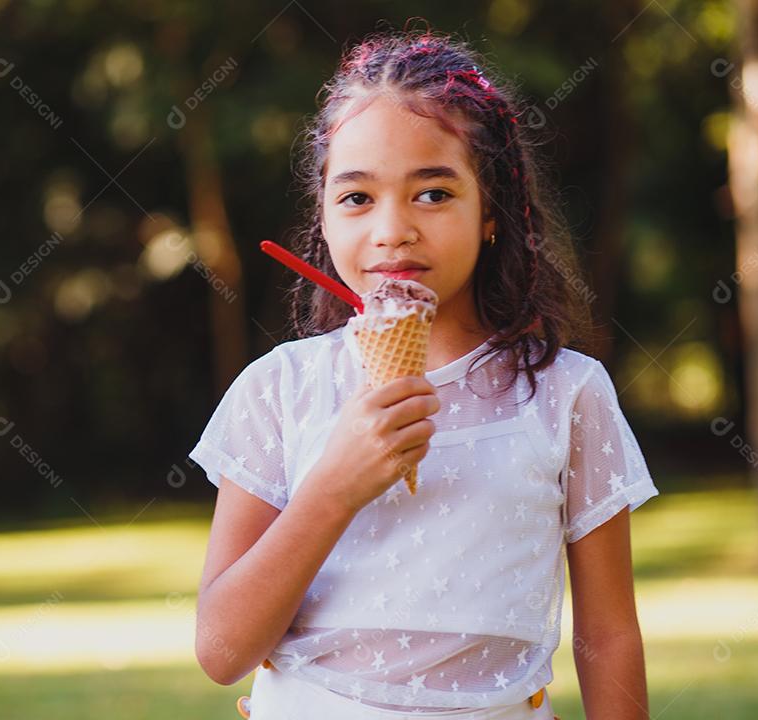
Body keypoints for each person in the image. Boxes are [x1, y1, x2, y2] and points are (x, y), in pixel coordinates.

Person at [189, 27, 658, 720]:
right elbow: (223, 652)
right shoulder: (279, 390)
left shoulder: (567, 394)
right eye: (357, 198)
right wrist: (331, 491)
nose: (392, 230)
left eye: (433, 194)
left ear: (492, 208)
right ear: (322, 212)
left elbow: (608, 636)